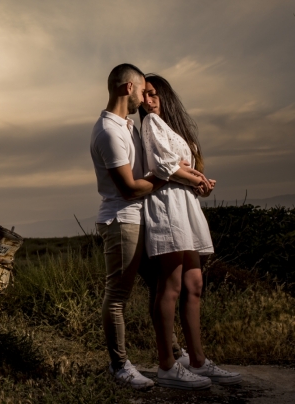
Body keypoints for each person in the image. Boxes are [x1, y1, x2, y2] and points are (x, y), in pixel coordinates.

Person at [90, 64, 201, 389]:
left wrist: (176, 168)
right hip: (122, 220)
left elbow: (150, 170)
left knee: (161, 286)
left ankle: (174, 354)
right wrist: (166, 175)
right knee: (117, 295)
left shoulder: (128, 128)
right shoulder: (109, 132)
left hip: (143, 217)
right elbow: (129, 188)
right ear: (128, 88)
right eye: (143, 90)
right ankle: (119, 365)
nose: (146, 98)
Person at [140, 74, 242, 389]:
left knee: (194, 283)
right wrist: (189, 175)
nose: (148, 100)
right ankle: (167, 365)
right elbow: (164, 167)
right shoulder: (150, 125)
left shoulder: (175, 129)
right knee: (170, 284)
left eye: (153, 94)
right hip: (167, 206)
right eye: (143, 95)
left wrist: (199, 182)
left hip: (184, 206)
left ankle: (198, 361)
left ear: (165, 96)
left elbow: (184, 169)